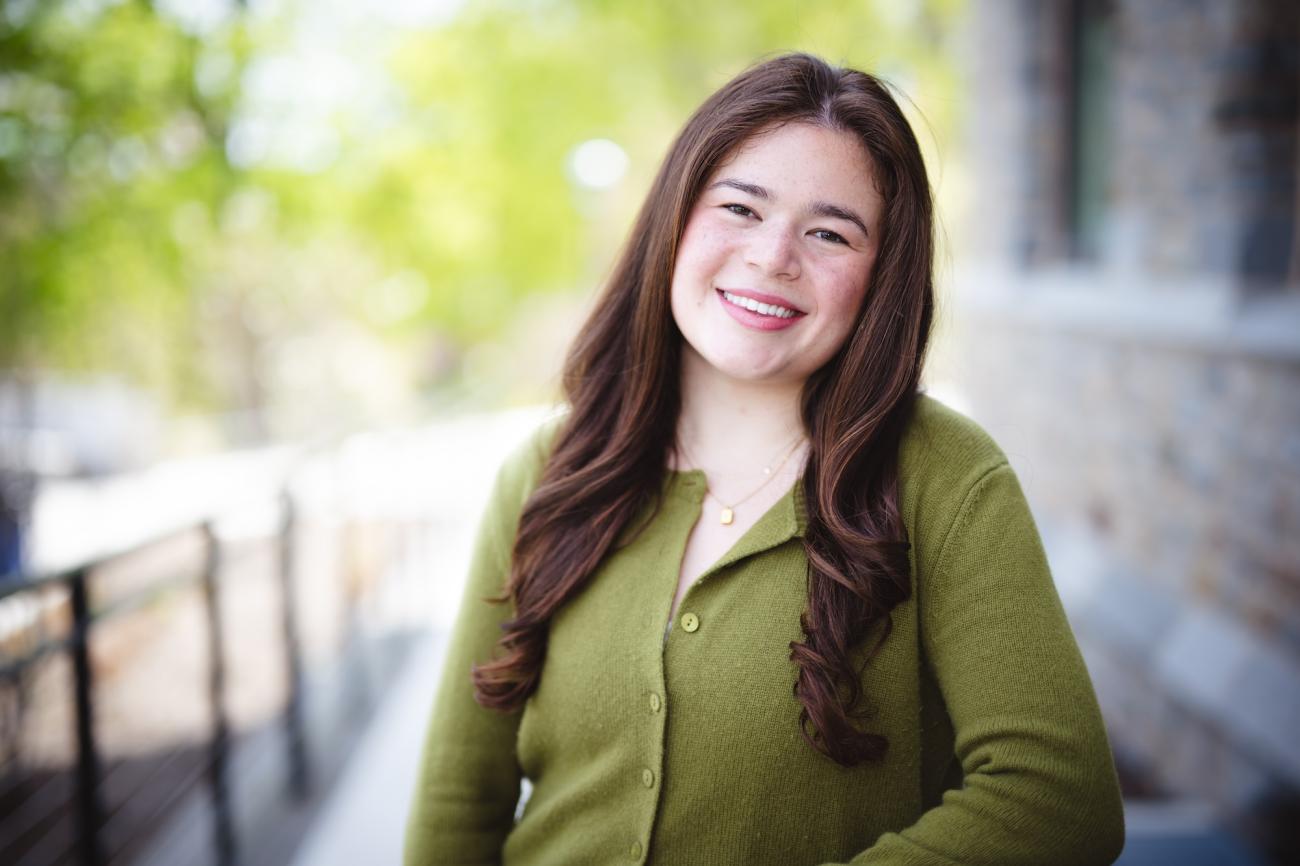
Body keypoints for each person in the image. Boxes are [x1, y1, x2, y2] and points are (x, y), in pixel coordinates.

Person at [405, 53, 1125, 865]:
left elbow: (1059, 797)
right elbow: (457, 800)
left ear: (880, 276)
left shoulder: (943, 476)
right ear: (675, 220)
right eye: (741, 209)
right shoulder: (550, 469)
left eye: (829, 232)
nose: (774, 255)